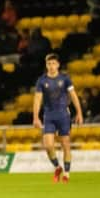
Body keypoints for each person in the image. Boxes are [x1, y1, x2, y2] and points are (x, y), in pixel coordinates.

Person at [33, 53, 83, 183]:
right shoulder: (42, 81)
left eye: (54, 63)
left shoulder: (65, 79)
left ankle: (66, 174)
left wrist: (79, 112)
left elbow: (73, 96)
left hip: (63, 115)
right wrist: (35, 117)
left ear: (58, 65)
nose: (51, 66)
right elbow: (37, 99)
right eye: (49, 64)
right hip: (49, 116)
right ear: (46, 65)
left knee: (65, 144)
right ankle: (57, 167)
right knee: (48, 145)